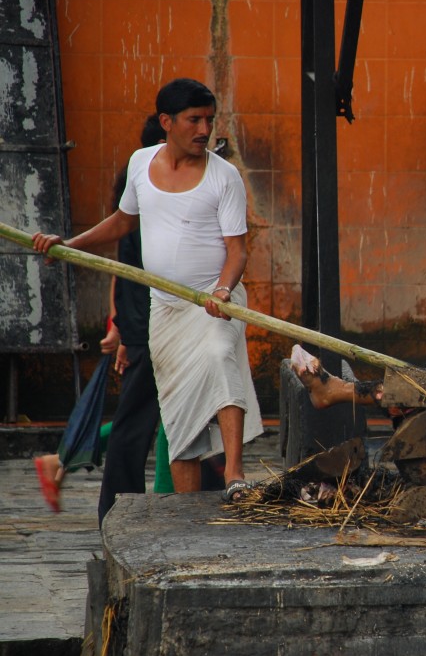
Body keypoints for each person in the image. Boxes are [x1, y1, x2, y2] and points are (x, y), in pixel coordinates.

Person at [33, 78, 263, 501]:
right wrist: (69, 244)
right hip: (166, 310)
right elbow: (123, 222)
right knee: (177, 414)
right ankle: (185, 511)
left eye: (209, 120)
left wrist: (224, 291)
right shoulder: (140, 164)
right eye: (194, 120)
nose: (203, 129)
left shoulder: (224, 177)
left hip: (214, 303)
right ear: (167, 122)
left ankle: (234, 471)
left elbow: (237, 251)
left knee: (219, 355)